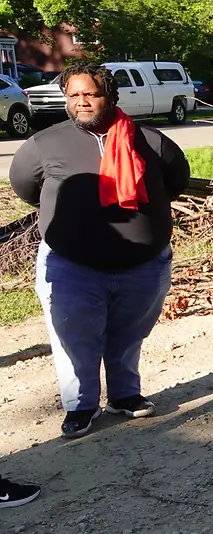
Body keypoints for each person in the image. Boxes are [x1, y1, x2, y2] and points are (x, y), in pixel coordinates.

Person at [8, 63, 188, 439]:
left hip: (143, 265)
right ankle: (81, 405)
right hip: (71, 266)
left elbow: (176, 180)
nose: (82, 102)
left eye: (91, 94)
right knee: (74, 338)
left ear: (110, 96)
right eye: (73, 95)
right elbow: (25, 187)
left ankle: (124, 395)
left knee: (129, 335)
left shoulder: (149, 140)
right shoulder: (45, 143)